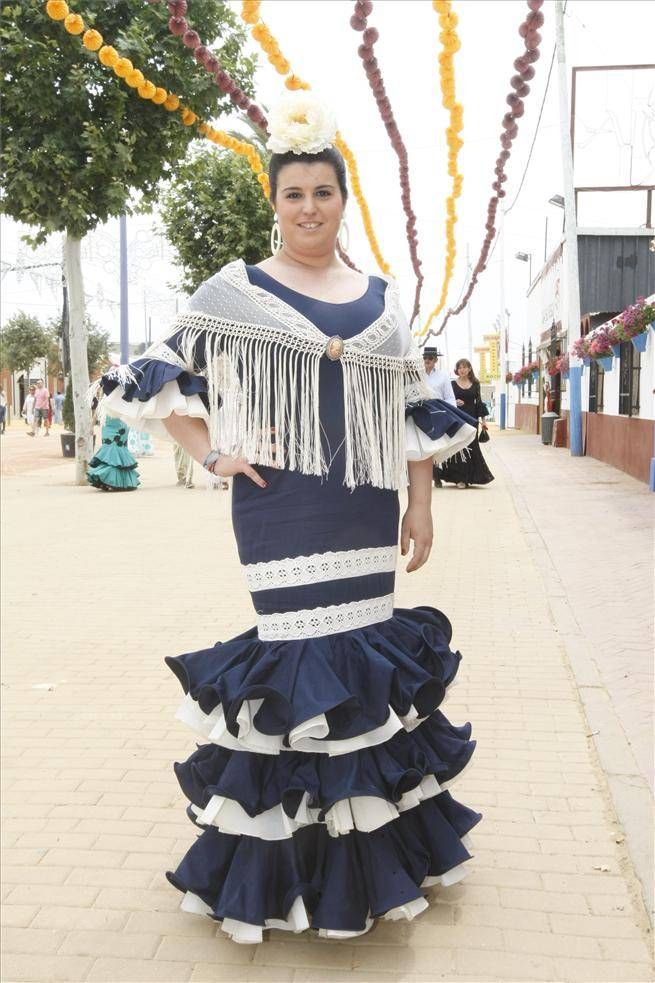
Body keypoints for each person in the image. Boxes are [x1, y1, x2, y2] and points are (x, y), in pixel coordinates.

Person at [97, 93, 480, 943]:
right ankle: (283, 873)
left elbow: (414, 409)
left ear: (344, 199)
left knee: (360, 680)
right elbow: (156, 375)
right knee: (299, 673)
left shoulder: (381, 298)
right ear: (273, 204)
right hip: (279, 508)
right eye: (293, 194)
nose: (308, 208)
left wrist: (419, 503)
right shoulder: (235, 291)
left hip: (365, 509)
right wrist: (212, 451)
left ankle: (366, 866)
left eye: (323, 192)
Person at [437, 359, 494, 489]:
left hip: (472, 419)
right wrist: (454, 402)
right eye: (459, 367)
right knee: (459, 447)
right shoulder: (452, 384)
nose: (462, 370)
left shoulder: (475, 383)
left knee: (472, 446)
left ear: (469, 369)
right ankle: (459, 478)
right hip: (457, 417)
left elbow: (479, 403)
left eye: (465, 367)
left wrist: (484, 421)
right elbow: (446, 399)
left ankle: (471, 477)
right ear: (457, 370)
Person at [422, 348, 456, 487]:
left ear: (436, 360)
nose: (427, 360)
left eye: (430, 358)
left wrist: (452, 414)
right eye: (425, 358)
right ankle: (426, 475)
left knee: (436, 446)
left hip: (438, 412)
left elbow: (449, 396)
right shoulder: (416, 375)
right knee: (423, 445)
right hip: (421, 411)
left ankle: (436, 473)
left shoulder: (443, 376)